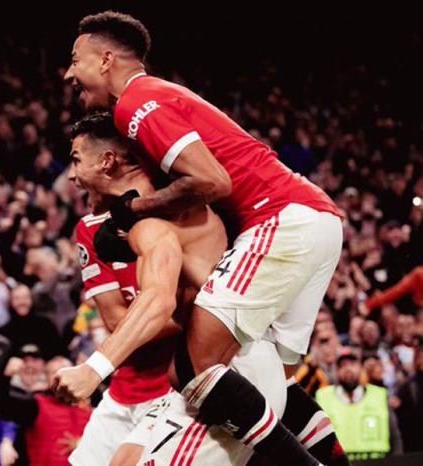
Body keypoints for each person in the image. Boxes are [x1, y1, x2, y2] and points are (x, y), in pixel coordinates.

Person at [63, 12, 344, 466]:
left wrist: (133, 211)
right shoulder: (161, 102)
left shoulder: (135, 103)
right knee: (275, 375)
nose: (68, 73)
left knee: (194, 367)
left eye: (76, 59)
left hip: (278, 217)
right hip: (313, 219)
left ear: (107, 59)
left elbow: (213, 181)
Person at [57, 113, 298, 465]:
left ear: (108, 161)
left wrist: (94, 368)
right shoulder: (122, 222)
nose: (71, 174)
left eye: (77, 160)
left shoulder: (165, 217)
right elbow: (129, 314)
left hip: (225, 368)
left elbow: (158, 301)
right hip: (193, 373)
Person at [0, 356, 91, 466]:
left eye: (66, 371)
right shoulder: (36, 405)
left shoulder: (87, 409)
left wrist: (84, 444)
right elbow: (0, 407)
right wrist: (6, 377)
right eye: (54, 372)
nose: (61, 377)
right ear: (47, 378)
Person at [316, 350, 403, 461]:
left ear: (361, 368)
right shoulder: (323, 397)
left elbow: (395, 436)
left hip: (377, 462)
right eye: (342, 365)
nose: (348, 369)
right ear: (337, 371)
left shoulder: (379, 395)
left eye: (353, 364)